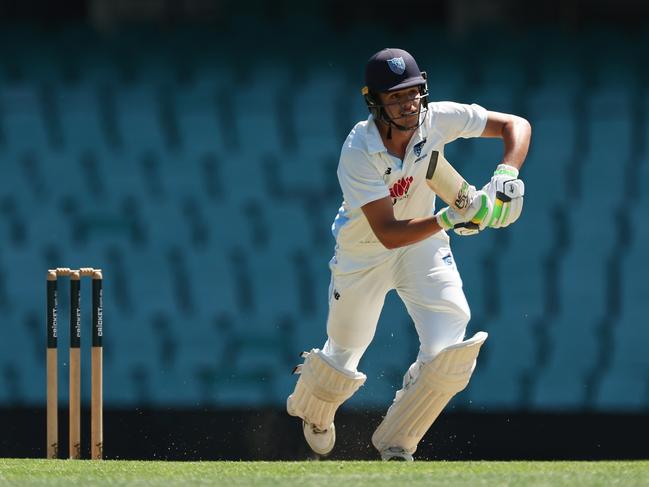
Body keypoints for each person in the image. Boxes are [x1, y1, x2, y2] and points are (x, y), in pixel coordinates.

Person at [286, 48, 531, 461]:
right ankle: (315, 407)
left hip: (423, 244)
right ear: (375, 103)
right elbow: (387, 233)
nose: (409, 103)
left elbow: (515, 124)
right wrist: (451, 220)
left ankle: (399, 436)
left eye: (414, 92)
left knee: (452, 332)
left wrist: (507, 173)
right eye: (396, 97)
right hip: (365, 253)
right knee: (346, 348)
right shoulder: (359, 150)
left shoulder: (437, 119)